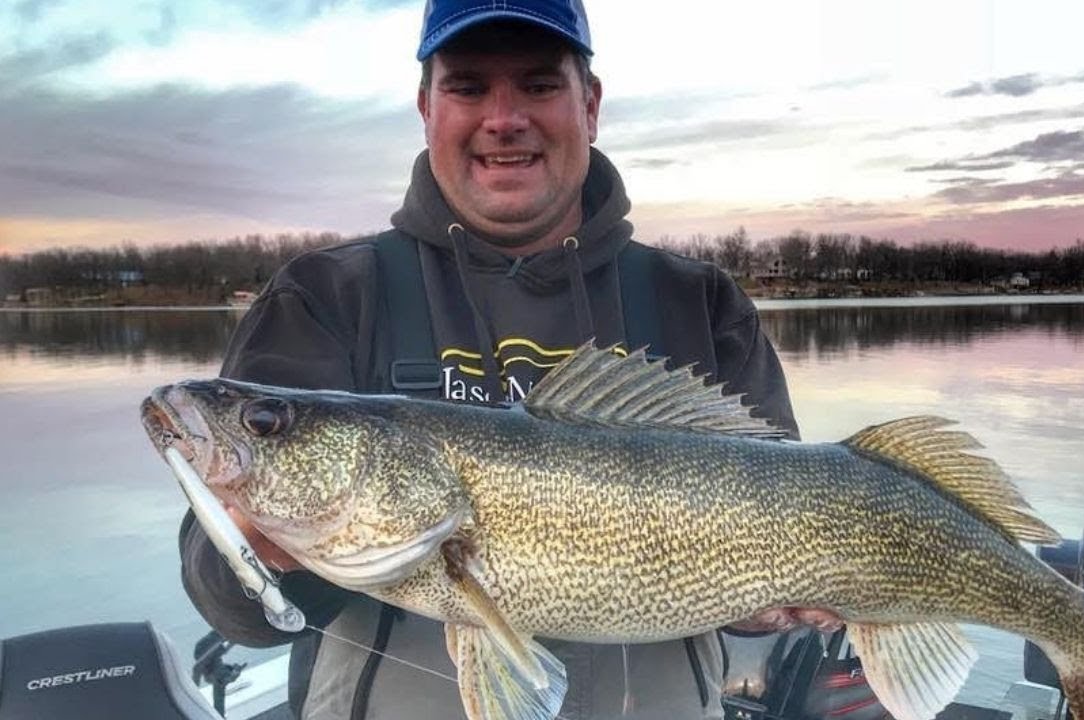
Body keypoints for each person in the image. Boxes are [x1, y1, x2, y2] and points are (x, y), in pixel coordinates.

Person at [178, 1, 847, 717]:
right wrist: (261, 552)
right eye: (467, 86)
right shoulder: (329, 295)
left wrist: (762, 604)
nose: (504, 118)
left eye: (537, 85)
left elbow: (781, 517)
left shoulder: (701, 303)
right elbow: (234, 610)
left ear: (588, 105)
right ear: (426, 107)